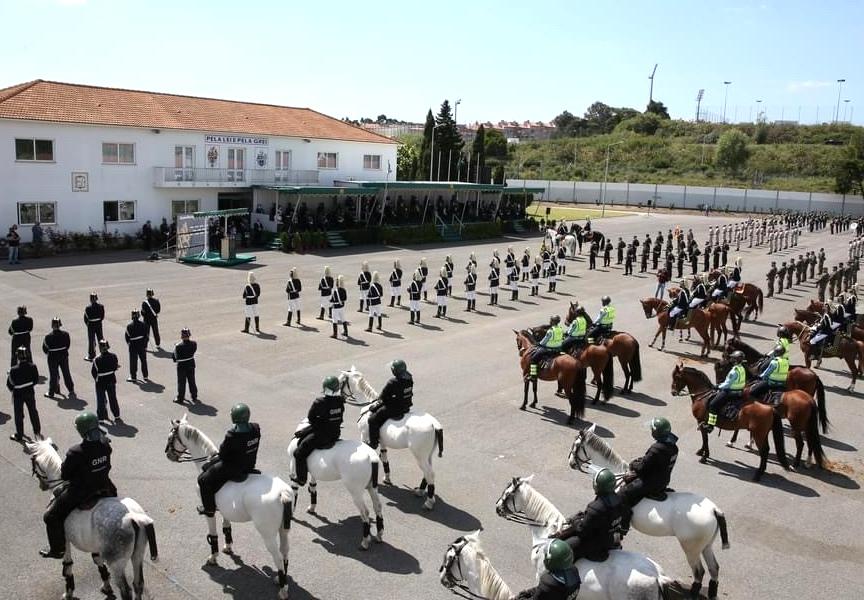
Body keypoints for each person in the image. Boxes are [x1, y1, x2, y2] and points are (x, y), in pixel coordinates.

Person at [40, 411, 116, 558]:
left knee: (50, 517)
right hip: (105, 486)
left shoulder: (75, 452)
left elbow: (64, 475)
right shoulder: (105, 444)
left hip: (82, 492)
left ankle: (58, 550)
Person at [551, 469, 630, 562]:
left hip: (596, 545)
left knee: (563, 550)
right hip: (611, 540)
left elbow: (582, 531)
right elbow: (626, 519)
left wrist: (575, 521)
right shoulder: (622, 500)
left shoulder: (595, 508)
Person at [197, 404, 260, 517]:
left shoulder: (232, 435)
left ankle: (209, 509)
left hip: (233, 468)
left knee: (203, 479)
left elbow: (223, 455)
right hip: (249, 464)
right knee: (207, 466)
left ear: (234, 417)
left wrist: (212, 461)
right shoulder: (256, 428)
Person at [292, 376, 345, 486]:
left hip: (321, 436)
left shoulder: (319, 402)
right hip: (335, 434)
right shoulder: (340, 401)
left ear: (325, 388)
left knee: (298, 453)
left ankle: (301, 479)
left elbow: (311, 419)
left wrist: (307, 430)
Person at [620, 417, 678, 506]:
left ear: (656, 433)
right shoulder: (674, 448)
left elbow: (641, 468)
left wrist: (633, 464)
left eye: (652, 430)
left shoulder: (656, 449)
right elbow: (656, 462)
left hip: (651, 484)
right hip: (664, 481)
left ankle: (625, 516)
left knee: (623, 493)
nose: (651, 431)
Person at [367, 360, 413, 449]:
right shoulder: (409, 377)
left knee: (372, 420)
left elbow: (382, 398)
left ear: (394, 371)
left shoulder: (392, 382)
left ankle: (373, 443)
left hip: (394, 409)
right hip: (406, 406)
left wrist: (374, 407)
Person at [515, 539, 581, 600]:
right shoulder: (574, 571)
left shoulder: (548, 582)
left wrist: (520, 597)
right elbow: (543, 592)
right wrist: (531, 591)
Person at [703, 350, 746, 432]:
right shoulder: (742, 368)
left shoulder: (734, 371)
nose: (732, 359)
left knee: (712, 404)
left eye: (733, 358)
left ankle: (710, 425)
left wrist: (718, 386)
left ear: (736, 360)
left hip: (730, 392)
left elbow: (727, 384)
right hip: (739, 392)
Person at [7, 346, 41, 442]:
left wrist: (14, 389)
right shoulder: (33, 366)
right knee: (33, 411)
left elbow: (9, 384)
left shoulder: (13, 370)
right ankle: (37, 431)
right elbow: (35, 380)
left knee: (18, 414)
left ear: (18, 357)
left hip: (18, 394)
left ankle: (19, 434)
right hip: (30, 391)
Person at [42, 317, 74, 399]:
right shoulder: (66, 334)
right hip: (63, 356)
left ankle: (52, 392)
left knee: (53, 375)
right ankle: (71, 389)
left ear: (52, 326)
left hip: (52, 357)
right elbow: (67, 345)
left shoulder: (48, 337)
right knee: (66, 372)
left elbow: (45, 349)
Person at [91, 340, 120, 422]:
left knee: (101, 399)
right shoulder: (113, 356)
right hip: (111, 379)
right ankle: (116, 415)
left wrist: (97, 379)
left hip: (101, 381)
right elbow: (115, 367)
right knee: (113, 398)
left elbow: (94, 372)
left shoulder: (96, 359)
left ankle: (101, 418)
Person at [172, 328, 198, 404]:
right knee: (192, 381)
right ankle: (194, 395)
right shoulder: (194, 344)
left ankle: (180, 398)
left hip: (182, 366)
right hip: (191, 364)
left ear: (182, 336)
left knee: (181, 382)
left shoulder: (178, 346)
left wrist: (175, 348)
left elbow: (174, 358)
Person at [124, 310, 149, 383]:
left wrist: (129, 344)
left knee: (133, 361)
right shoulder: (143, 324)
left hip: (133, 345)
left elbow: (127, 337)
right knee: (143, 360)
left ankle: (133, 377)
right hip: (142, 344)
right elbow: (146, 336)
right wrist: (145, 345)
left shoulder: (129, 326)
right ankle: (145, 376)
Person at [83, 292, 105, 362]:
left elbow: (86, 319)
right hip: (98, 324)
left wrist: (88, 324)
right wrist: (98, 321)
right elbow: (102, 316)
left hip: (91, 325)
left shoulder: (88, 308)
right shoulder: (101, 306)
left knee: (91, 340)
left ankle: (92, 355)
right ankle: (104, 352)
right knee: (100, 338)